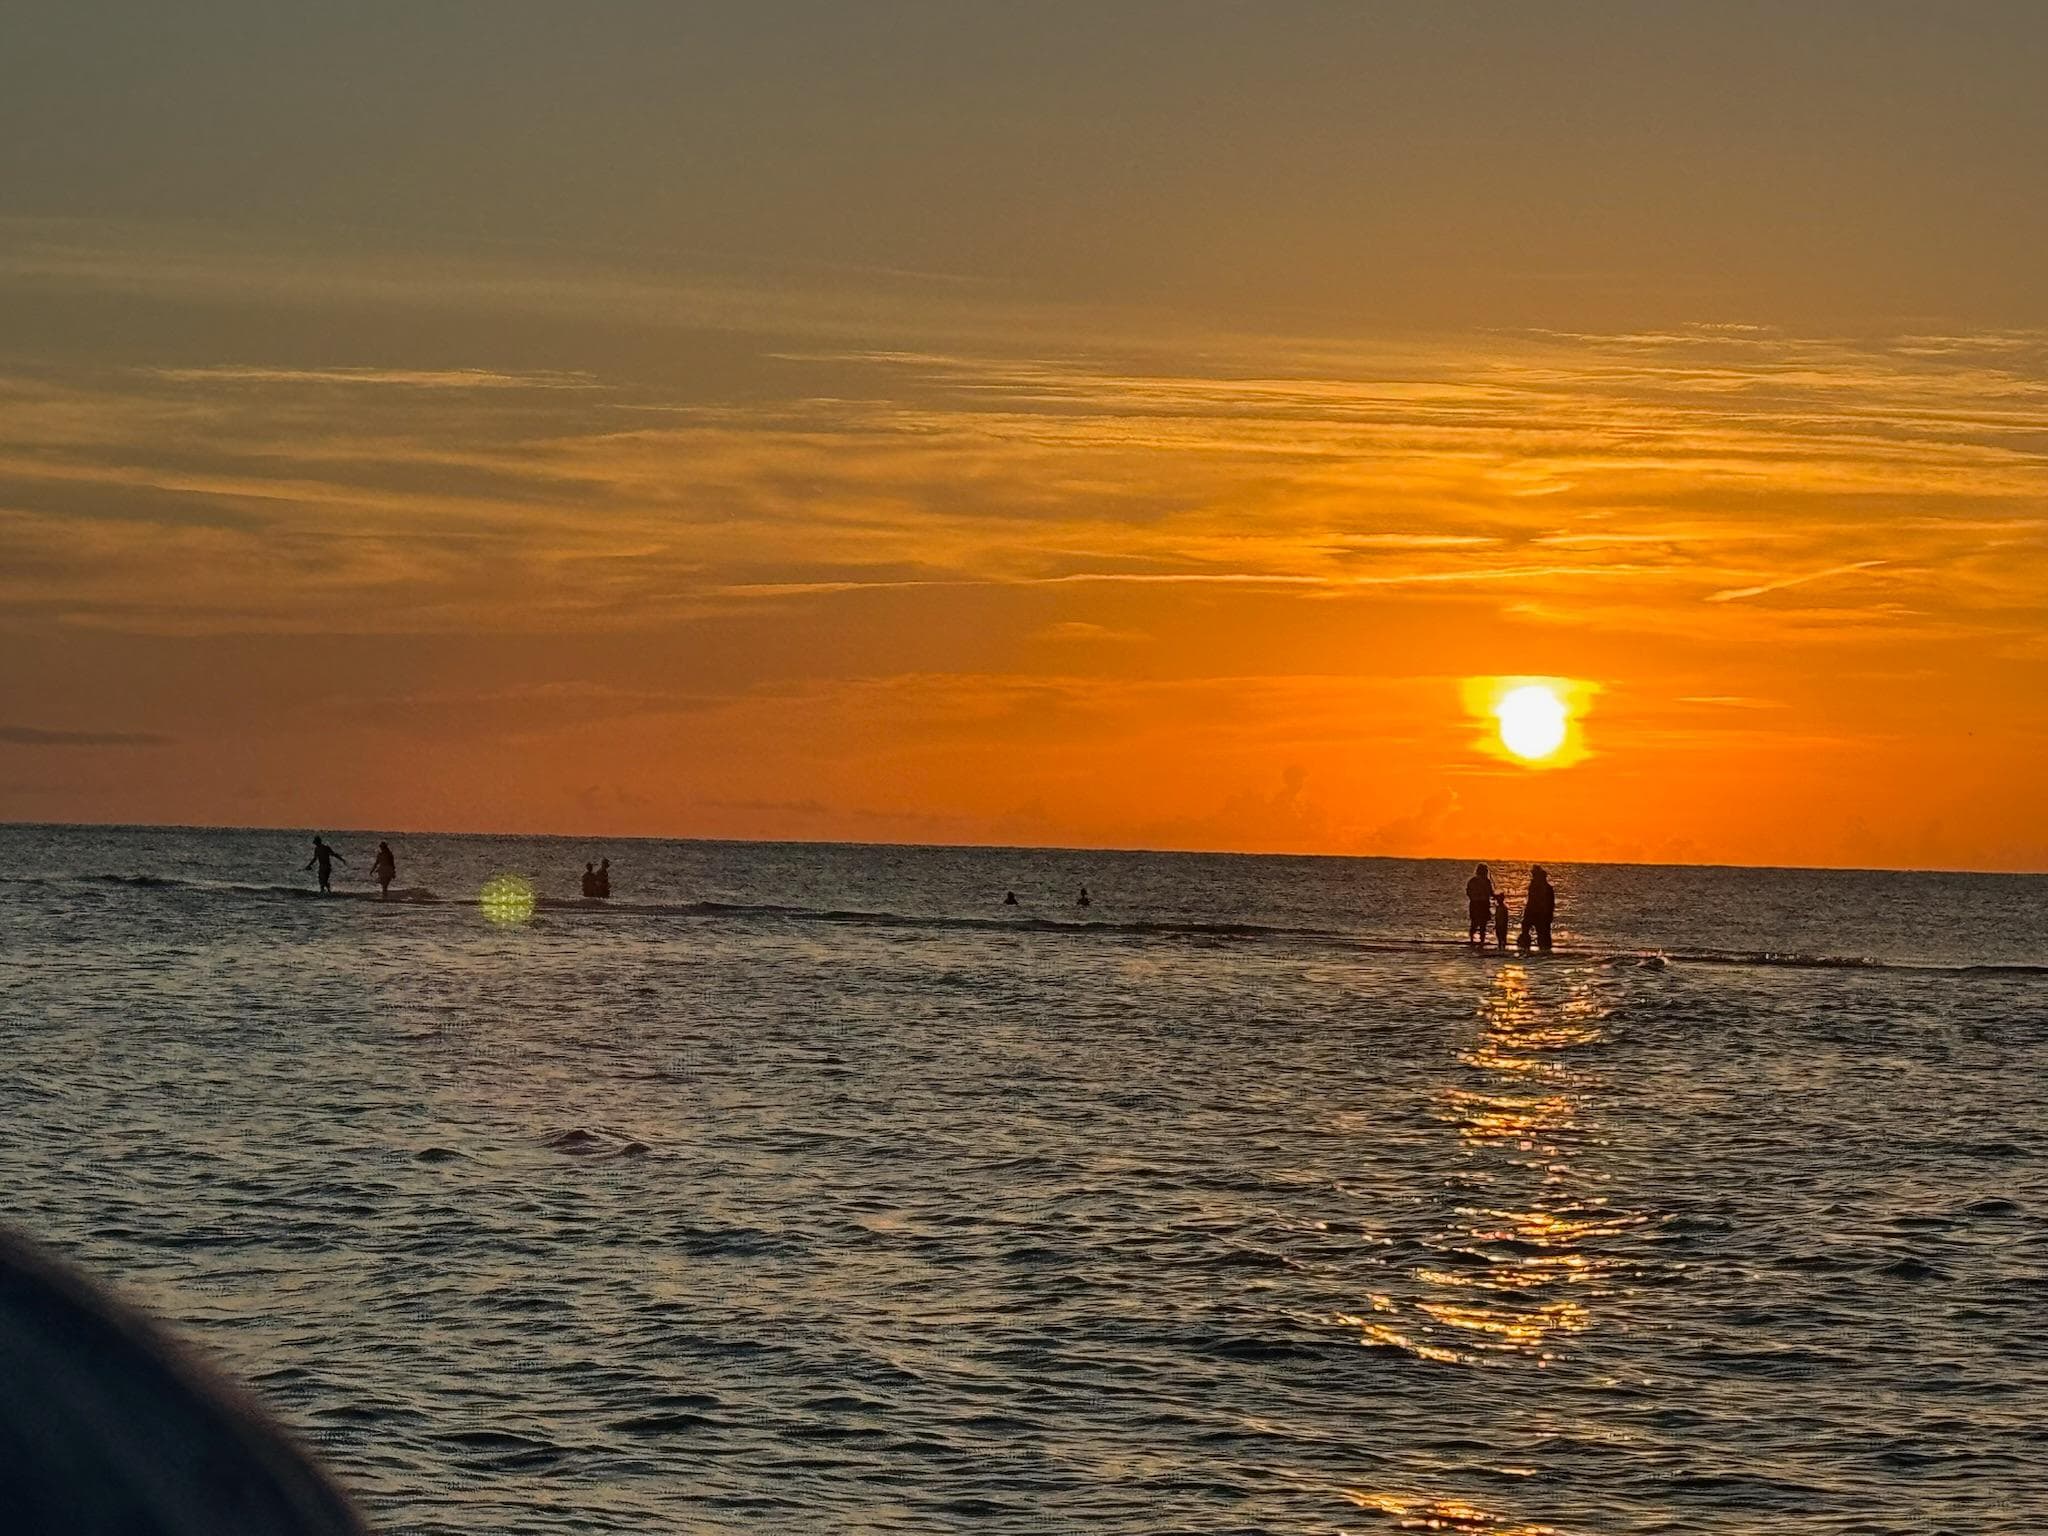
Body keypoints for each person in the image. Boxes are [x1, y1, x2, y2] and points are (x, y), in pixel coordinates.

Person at [1519, 866, 1556, 952]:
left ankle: (1543, 949)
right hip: (1540, 914)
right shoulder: (1542, 887)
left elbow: (1533, 901)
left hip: (1539, 913)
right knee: (1541, 932)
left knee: (1541, 933)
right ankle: (1542, 950)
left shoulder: (1541, 887)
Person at [1465, 863, 1493, 946]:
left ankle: (1472, 940)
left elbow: (1468, 892)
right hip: (1482, 904)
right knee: (1482, 925)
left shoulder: (1472, 881)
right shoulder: (1486, 881)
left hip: (1475, 903)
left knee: (1475, 923)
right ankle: (1481, 941)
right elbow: (1490, 892)